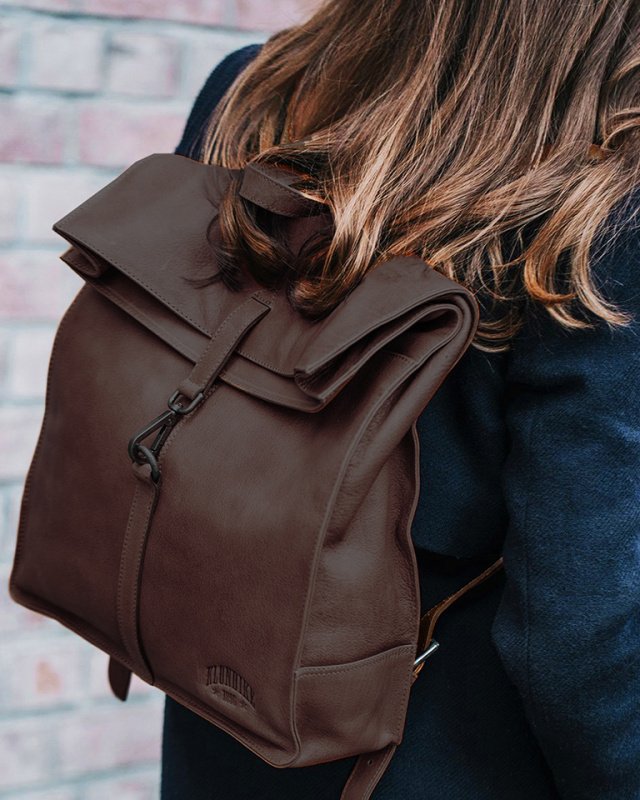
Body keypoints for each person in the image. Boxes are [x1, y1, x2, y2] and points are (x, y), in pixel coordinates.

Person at [160, 1, 640, 797]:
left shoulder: (255, 91)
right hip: (435, 752)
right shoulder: (607, 203)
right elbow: (583, 635)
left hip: (224, 708)